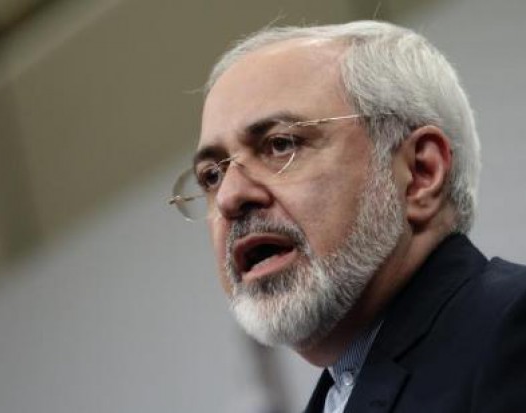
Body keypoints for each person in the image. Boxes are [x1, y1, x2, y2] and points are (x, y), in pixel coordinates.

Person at [169, 20, 526, 412]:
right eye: (212, 176)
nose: (229, 197)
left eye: (280, 144)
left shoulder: (512, 330)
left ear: (420, 172)